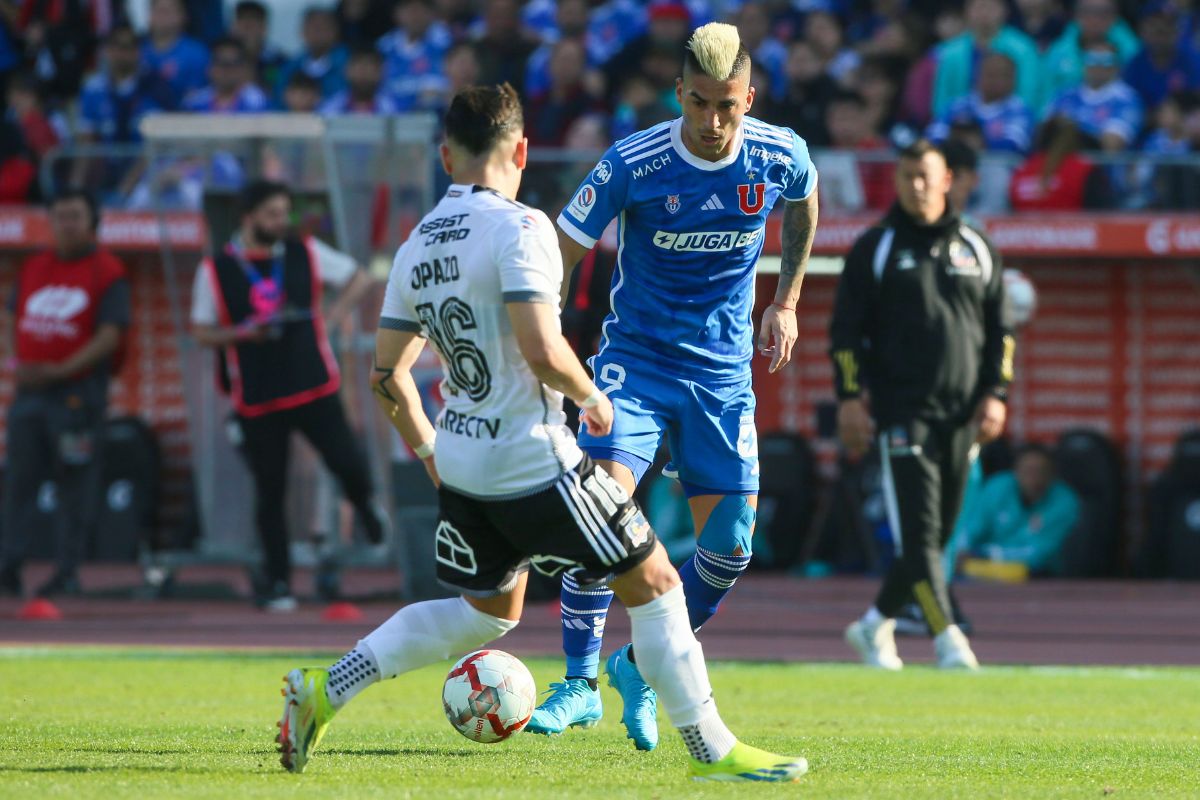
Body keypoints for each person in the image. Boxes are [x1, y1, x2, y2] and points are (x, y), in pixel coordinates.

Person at [274, 82, 808, 784]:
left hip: (463, 460)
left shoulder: (414, 248)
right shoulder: (521, 228)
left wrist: (436, 455)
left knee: (486, 616)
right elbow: (541, 345)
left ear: (445, 154)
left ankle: (326, 687)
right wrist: (590, 398)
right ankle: (713, 749)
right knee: (656, 580)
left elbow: (387, 379)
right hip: (530, 457)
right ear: (522, 149)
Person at [526, 23, 819, 748]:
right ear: (677, 94)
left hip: (721, 375)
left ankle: (639, 664)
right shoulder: (635, 161)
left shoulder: (779, 153)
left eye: (729, 106)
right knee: (605, 510)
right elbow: (560, 250)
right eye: (698, 105)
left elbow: (805, 202)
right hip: (639, 364)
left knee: (731, 547)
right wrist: (547, 344)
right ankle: (576, 684)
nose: (714, 123)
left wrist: (785, 301)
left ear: (750, 96)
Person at [830, 138, 1013, 671]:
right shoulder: (877, 246)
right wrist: (848, 398)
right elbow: (845, 334)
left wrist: (996, 395)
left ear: (948, 179)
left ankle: (872, 627)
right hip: (902, 415)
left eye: (925, 176)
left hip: (964, 417)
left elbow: (1002, 332)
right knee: (920, 533)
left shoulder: (978, 244)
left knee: (933, 537)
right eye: (906, 176)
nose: (915, 186)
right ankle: (949, 640)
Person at [189, 180, 387, 611]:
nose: (281, 222)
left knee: (346, 460)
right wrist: (239, 334)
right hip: (257, 396)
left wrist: (333, 316)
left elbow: (358, 276)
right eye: (272, 214)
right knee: (271, 492)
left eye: (284, 213)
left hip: (312, 382)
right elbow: (201, 330)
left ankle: (367, 508)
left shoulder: (306, 252)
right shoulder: (215, 270)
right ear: (249, 217)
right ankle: (278, 581)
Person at [0, 191, 130, 598]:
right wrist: (17, 361)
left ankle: (67, 570)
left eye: (75, 216)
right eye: (59, 216)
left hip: (77, 394)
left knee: (74, 482)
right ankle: (8, 566)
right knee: (18, 481)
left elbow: (111, 334)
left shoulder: (107, 270)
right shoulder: (36, 264)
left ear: (93, 222)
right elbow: (9, 316)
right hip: (30, 392)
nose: (66, 224)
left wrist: (62, 369)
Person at [957, 443, 1079, 576]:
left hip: (1038, 576)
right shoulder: (998, 487)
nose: (1034, 478)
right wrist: (962, 549)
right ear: (1015, 471)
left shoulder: (1064, 501)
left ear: (1052, 474)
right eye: (1028, 471)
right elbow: (970, 528)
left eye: (1041, 471)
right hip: (983, 569)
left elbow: (1039, 553)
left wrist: (984, 553)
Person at [1044, 41, 1142, 152]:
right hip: (1063, 165)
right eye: (1091, 59)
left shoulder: (1127, 99)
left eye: (1106, 60)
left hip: (1101, 168)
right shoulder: (1064, 95)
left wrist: (1071, 128)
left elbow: (1111, 146)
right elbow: (1043, 136)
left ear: (1117, 66)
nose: (1098, 65)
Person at [927, 51, 1034, 153]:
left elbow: (1016, 143)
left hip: (1001, 167)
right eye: (991, 74)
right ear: (978, 75)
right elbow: (934, 135)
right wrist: (963, 144)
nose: (997, 80)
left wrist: (981, 143)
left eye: (1004, 75)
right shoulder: (958, 105)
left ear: (1013, 79)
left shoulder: (1020, 111)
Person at [140, 0, 209, 108]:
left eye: (168, 11)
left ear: (183, 16)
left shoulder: (196, 53)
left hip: (181, 118)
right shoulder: (137, 49)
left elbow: (198, 96)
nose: (163, 16)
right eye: (159, 10)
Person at [181, 37, 270, 114]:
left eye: (234, 63)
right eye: (221, 63)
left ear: (244, 69)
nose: (227, 69)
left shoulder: (258, 101)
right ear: (209, 68)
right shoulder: (194, 103)